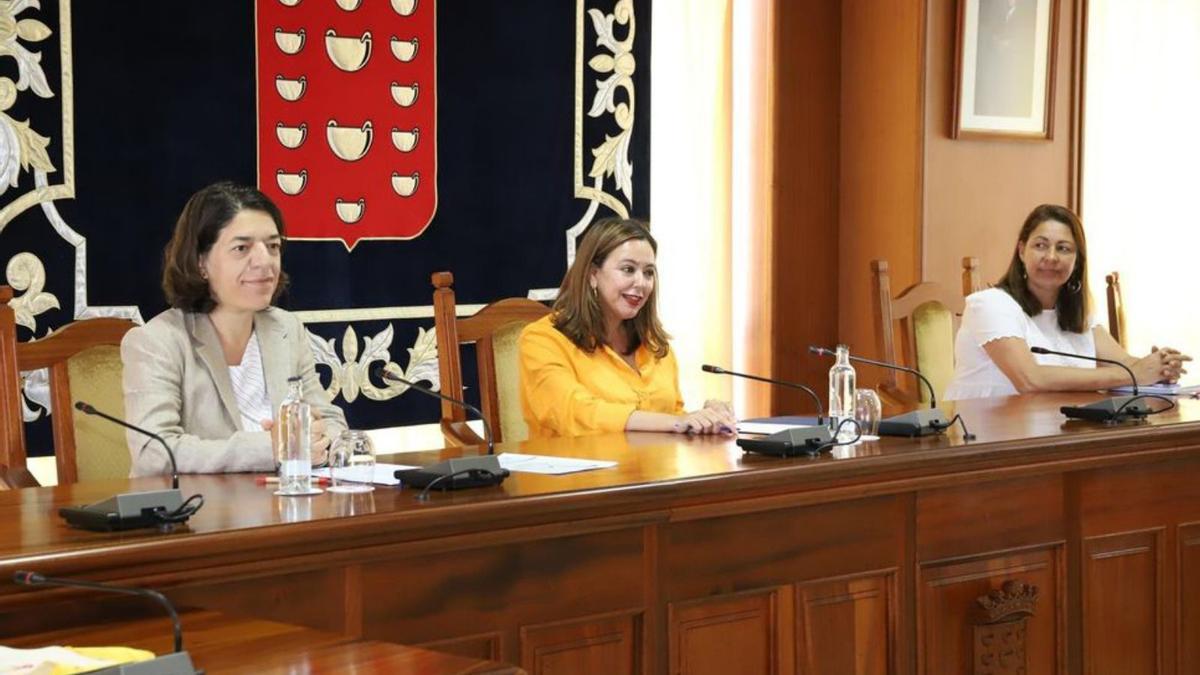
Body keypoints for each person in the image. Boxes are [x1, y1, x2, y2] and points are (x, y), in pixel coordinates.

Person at [121, 182, 346, 476]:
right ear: (201, 262)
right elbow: (154, 453)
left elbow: (327, 418)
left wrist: (325, 440)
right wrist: (272, 448)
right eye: (242, 248)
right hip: (202, 514)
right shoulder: (157, 341)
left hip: (288, 507)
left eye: (273, 246)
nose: (265, 261)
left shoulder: (286, 329)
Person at [945, 203, 1190, 400]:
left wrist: (1159, 366)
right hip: (988, 443)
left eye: (1063, 249)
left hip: (1057, 433)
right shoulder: (990, 305)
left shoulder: (1076, 314)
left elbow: (1124, 363)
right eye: (1041, 246)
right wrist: (1134, 374)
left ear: (1077, 261)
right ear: (1021, 251)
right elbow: (1031, 379)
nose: (1051, 257)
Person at [519, 217, 735, 438]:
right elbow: (574, 412)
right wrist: (677, 422)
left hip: (654, 470)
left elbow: (670, 416)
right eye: (628, 269)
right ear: (593, 275)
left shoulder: (654, 344)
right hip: (577, 469)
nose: (641, 282)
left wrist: (705, 418)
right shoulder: (542, 339)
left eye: (649, 272)